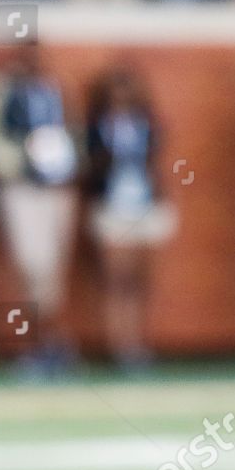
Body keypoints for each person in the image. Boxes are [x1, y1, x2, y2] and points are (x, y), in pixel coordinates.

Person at [0, 39, 80, 374]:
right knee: (32, 263)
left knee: (54, 268)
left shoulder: (51, 87)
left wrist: (66, 163)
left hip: (55, 186)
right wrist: (21, 162)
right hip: (20, 185)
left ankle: (54, 343)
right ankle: (33, 344)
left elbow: (69, 131)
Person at [83, 67, 176, 370]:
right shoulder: (96, 129)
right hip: (112, 205)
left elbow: (155, 164)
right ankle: (119, 345)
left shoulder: (147, 126)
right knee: (116, 279)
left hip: (143, 204)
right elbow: (90, 167)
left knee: (141, 280)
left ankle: (139, 344)